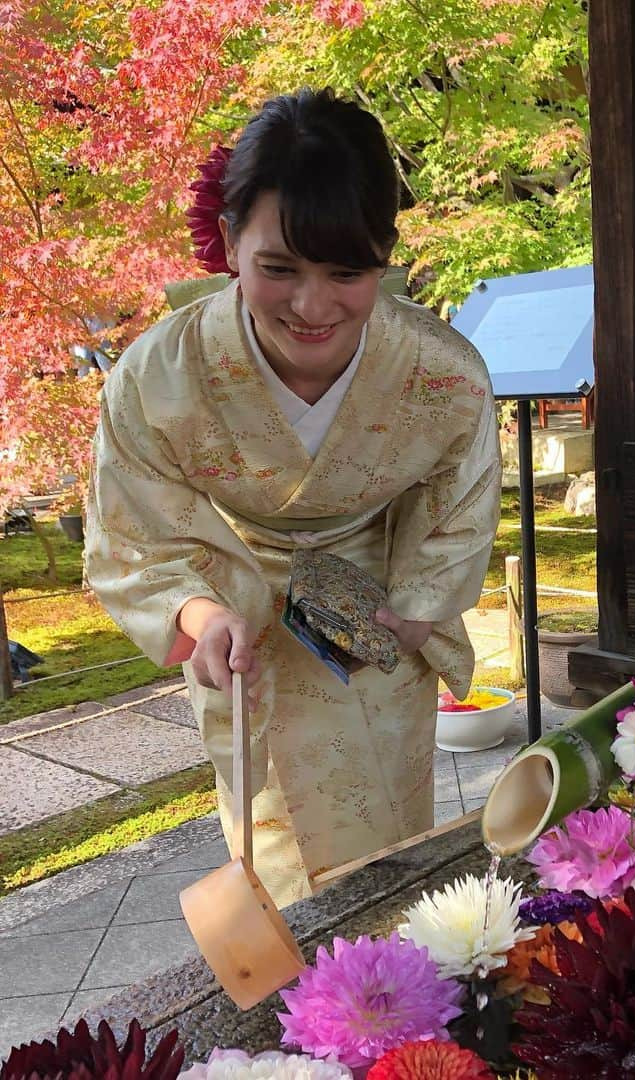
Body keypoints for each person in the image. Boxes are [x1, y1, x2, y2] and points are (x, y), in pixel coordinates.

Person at [84, 88, 501, 907]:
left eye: (348, 272)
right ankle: (292, 1016)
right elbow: (133, 528)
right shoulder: (159, 374)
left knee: (388, 835)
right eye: (279, 269)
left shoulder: (441, 373)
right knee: (272, 840)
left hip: (372, 609)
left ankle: (402, 1005)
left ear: (385, 252)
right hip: (237, 609)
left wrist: (417, 606)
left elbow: (459, 503)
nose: (313, 306)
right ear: (231, 244)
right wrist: (196, 617)